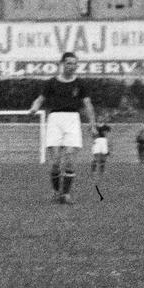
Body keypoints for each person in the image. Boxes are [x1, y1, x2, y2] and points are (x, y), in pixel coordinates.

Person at [26, 51, 96, 204]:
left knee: (70, 158)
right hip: (55, 120)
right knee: (56, 161)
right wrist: (34, 108)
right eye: (69, 63)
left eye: (74, 64)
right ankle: (56, 192)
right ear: (62, 64)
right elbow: (40, 99)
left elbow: (87, 105)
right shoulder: (51, 83)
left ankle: (66, 194)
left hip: (72, 119)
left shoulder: (80, 84)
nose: (72, 66)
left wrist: (92, 124)